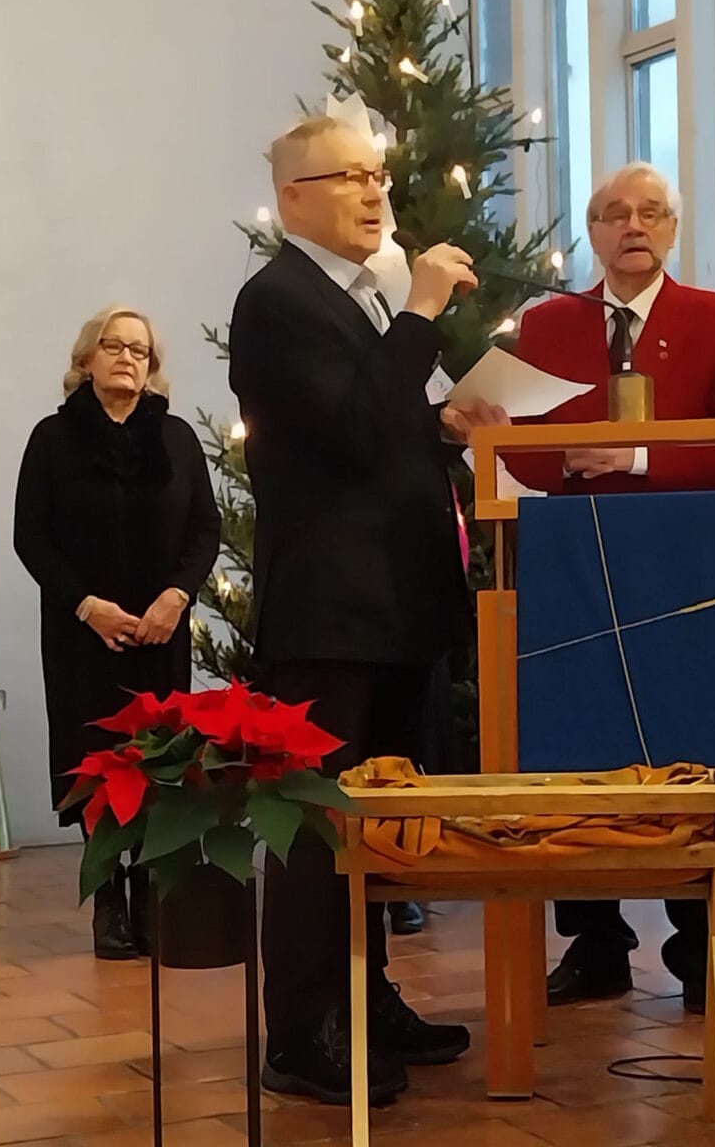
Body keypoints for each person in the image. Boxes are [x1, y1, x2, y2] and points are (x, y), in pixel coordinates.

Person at [229, 116, 491, 1107]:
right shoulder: (276, 301)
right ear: (293, 197)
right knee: (315, 825)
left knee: (379, 818)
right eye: (350, 176)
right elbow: (344, 430)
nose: (376, 191)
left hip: (394, 603)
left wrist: (444, 424)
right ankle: (302, 1032)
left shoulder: (360, 298)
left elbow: (382, 426)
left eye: (379, 174)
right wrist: (420, 310)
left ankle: (367, 998)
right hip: (330, 611)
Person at [495, 162, 715, 1014]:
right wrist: (550, 455)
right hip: (572, 559)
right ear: (594, 232)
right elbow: (520, 447)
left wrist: (637, 457)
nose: (634, 226)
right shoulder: (547, 325)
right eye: (615, 213)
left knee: (689, 743)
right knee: (580, 742)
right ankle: (595, 942)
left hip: (689, 564)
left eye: (652, 212)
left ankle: (703, 948)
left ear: (673, 230)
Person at [14, 307, 221, 960]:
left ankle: (152, 895)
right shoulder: (52, 438)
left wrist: (176, 597)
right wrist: (86, 606)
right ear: (87, 359)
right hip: (83, 635)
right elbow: (31, 537)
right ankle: (108, 900)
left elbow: (205, 528)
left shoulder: (177, 439)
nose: (128, 357)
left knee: (157, 764)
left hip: (161, 631)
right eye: (114, 345)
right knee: (96, 766)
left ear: (151, 365)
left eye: (140, 349)